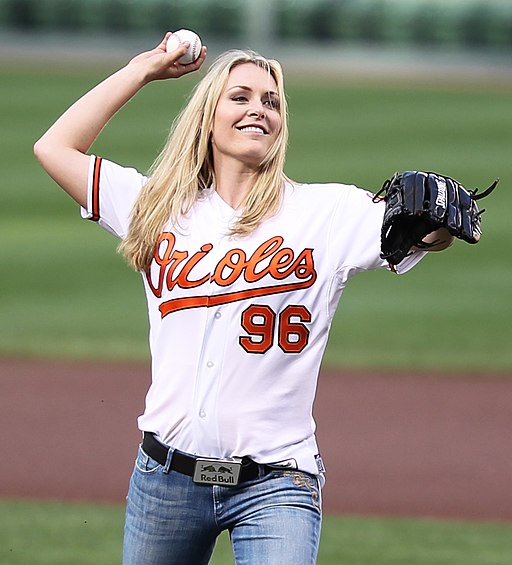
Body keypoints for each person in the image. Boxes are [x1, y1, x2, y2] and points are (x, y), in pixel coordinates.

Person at [34, 33, 453, 565]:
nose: (260, 109)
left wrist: (439, 225)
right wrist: (144, 69)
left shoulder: (325, 213)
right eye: (241, 97)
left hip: (277, 484)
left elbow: (418, 235)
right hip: (164, 480)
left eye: (271, 102)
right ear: (207, 117)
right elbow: (54, 148)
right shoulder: (155, 208)